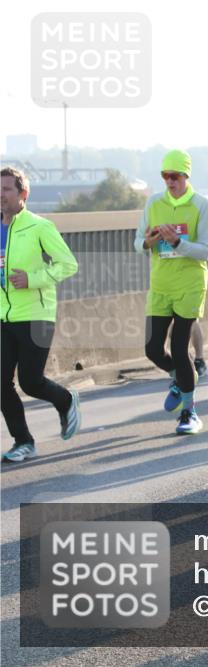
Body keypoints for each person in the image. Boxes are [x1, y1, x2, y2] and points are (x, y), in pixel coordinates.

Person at [1, 166, 81, 462]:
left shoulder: (39, 227)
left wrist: (32, 278)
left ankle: (66, 400)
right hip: (4, 317)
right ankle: (23, 441)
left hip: (36, 314)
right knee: (0, 383)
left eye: (7, 189)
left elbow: (68, 264)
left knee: (31, 382)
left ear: (23, 194)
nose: (1, 195)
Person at [135, 149, 208, 435]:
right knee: (153, 348)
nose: (170, 181)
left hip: (190, 285)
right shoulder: (154, 203)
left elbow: (205, 251)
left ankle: (189, 413)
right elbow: (137, 244)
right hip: (161, 285)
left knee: (180, 349)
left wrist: (177, 242)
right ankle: (180, 380)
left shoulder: (201, 205)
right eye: (165, 176)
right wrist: (149, 241)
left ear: (186, 176)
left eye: (175, 176)